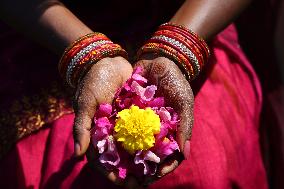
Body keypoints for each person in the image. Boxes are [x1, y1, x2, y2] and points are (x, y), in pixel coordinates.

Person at [0, 0, 268, 188]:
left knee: (206, 171)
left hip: (191, 18)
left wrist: (177, 47)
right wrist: (88, 54)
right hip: (45, 37)